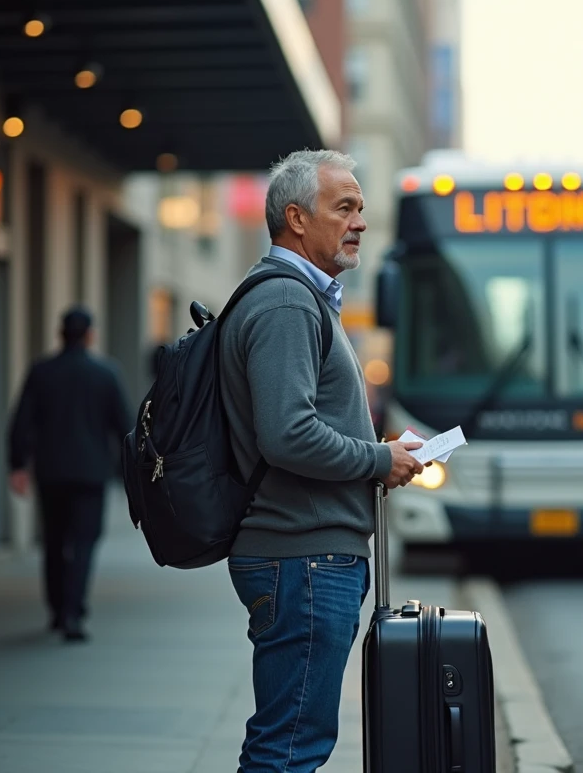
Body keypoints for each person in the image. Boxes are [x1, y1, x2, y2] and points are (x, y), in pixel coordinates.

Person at [218, 149, 425, 772]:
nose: (359, 221)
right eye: (344, 207)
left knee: (289, 741)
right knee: (289, 748)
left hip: (306, 557)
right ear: (297, 218)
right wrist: (377, 460)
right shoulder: (287, 303)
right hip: (303, 559)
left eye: (361, 207)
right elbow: (288, 435)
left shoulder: (300, 299)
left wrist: (381, 456)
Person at [8, 307, 132, 642]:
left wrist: (17, 464)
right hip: (91, 474)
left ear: (60, 334)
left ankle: (57, 608)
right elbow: (125, 426)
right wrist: (132, 471)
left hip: (51, 472)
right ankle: (73, 613)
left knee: (54, 541)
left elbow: (21, 420)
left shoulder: (42, 372)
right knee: (84, 543)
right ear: (90, 335)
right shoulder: (105, 373)